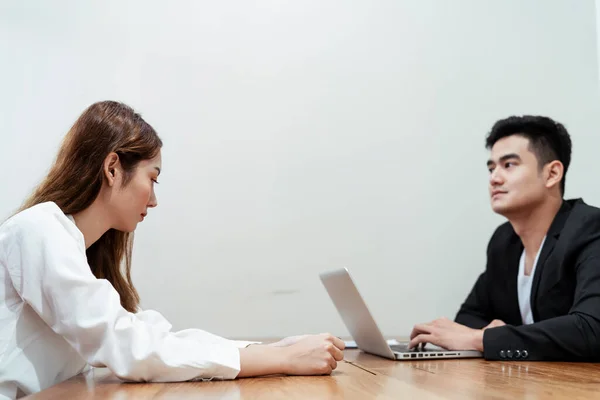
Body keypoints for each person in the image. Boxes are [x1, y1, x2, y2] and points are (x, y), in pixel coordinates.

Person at [0, 101, 345, 399]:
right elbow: (130, 346)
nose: (154, 199)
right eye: (152, 178)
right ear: (112, 168)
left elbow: (150, 336)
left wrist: (268, 350)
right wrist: (280, 360)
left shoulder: (74, 250)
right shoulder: (38, 230)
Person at [409, 115, 600, 361]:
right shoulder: (504, 241)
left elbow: (592, 329)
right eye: (491, 168)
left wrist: (483, 339)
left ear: (552, 173)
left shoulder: (590, 228)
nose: (494, 178)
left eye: (509, 165)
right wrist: (491, 334)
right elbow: (469, 316)